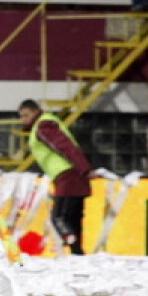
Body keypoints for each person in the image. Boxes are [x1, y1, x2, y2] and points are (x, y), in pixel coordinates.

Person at [18, 100, 94, 254]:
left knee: (59, 218)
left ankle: (75, 248)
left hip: (67, 175)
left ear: (35, 111)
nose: (23, 120)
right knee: (72, 218)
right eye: (21, 116)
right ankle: (77, 252)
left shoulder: (43, 126)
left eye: (26, 115)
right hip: (71, 174)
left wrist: (85, 168)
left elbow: (64, 147)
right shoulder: (46, 123)